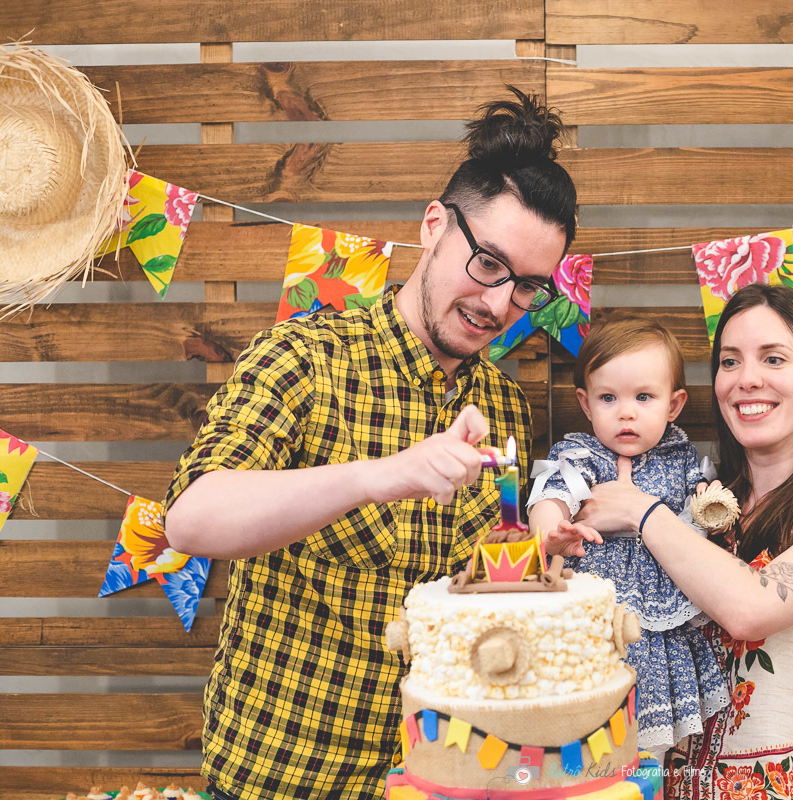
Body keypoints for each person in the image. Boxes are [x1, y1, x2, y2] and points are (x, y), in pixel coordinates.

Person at [162, 88, 576, 800]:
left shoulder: (502, 402)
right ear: (433, 226)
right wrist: (380, 475)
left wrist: (538, 559)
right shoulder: (306, 357)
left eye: (529, 287)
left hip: (439, 778)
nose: (499, 304)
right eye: (487, 264)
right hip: (282, 781)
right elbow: (193, 517)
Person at [564, 284, 793, 800]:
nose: (747, 380)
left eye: (774, 359)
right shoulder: (696, 505)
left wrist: (636, 508)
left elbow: (750, 609)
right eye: (730, 362)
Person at [526, 317, 730, 753]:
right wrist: (551, 531)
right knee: (586, 729)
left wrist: (710, 506)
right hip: (595, 611)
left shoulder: (681, 457)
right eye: (607, 398)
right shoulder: (582, 453)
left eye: (643, 397)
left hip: (658, 621)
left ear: (673, 405)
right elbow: (553, 491)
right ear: (585, 403)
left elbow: (704, 504)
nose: (626, 412)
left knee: (650, 748)